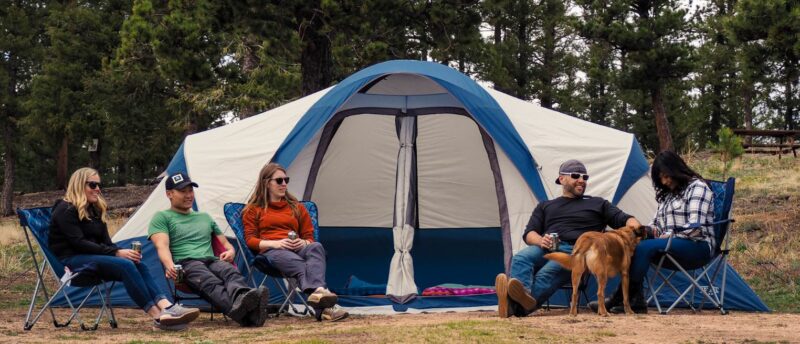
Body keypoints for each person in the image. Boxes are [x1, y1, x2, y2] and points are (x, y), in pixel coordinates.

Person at [49, 167, 199, 331]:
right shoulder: (65, 209)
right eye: (93, 185)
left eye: (99, 185)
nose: (98, 189)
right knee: (125, 265)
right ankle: (158, 317)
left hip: (93, 260)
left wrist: (120, 252)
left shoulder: (95, 209)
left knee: (137, 264)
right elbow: (79, 243)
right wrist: (116, 253)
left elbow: (107, 242)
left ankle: (167, 306)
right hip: (71, 264)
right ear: (79, 184)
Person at [495, 159, 642, 318]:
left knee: (547, 273)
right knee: (521, 258)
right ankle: (519, 298)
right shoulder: (546, 206)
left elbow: (625, 219)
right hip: (546, 246)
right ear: (562, 179)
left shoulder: (598, 203)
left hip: (578, 251)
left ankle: (514, 306)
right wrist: (540, 240)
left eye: (585, 177)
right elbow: (529, 233)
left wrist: (637, 230)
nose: (581, 180)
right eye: (575, 176)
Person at [593, 150, 715, 314]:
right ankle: (636, 301)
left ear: (676, 169)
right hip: (670, 246)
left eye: (666, 176)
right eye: (660, 178)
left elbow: (695, 227)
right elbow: (656, 224)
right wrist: (637, 231)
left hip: (697, 247)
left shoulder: (698, 188)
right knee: (634, 241)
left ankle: (621, 296)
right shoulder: (668, 195)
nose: (664, 182)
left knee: (644, 247)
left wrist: (669, 236)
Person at [149, 172, 269, 327]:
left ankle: (243, 299)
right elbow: (162, 246)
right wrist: (169, 265)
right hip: (187, 263)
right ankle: (250, 314)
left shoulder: (205, 217)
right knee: (210, 281)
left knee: (230, 272)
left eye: (190, 191)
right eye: (183, 191)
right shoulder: (162, 217)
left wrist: (231, 252)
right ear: (169, 194)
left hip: (212, 260)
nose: (188, 195)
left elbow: (226, 245)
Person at [242, 162, 349, 322]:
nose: (284, 184)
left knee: (316, 247)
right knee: (302, 266)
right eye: (279, 180)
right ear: (266, 183)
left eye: (286, 180)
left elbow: (309, 237)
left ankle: (319, 293)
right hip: (273, 252)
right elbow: (250, 240)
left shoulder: (297, 208)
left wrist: (303, 243)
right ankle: (325, 302)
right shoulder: (253, 210)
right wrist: (275, 243)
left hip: (297, 248)